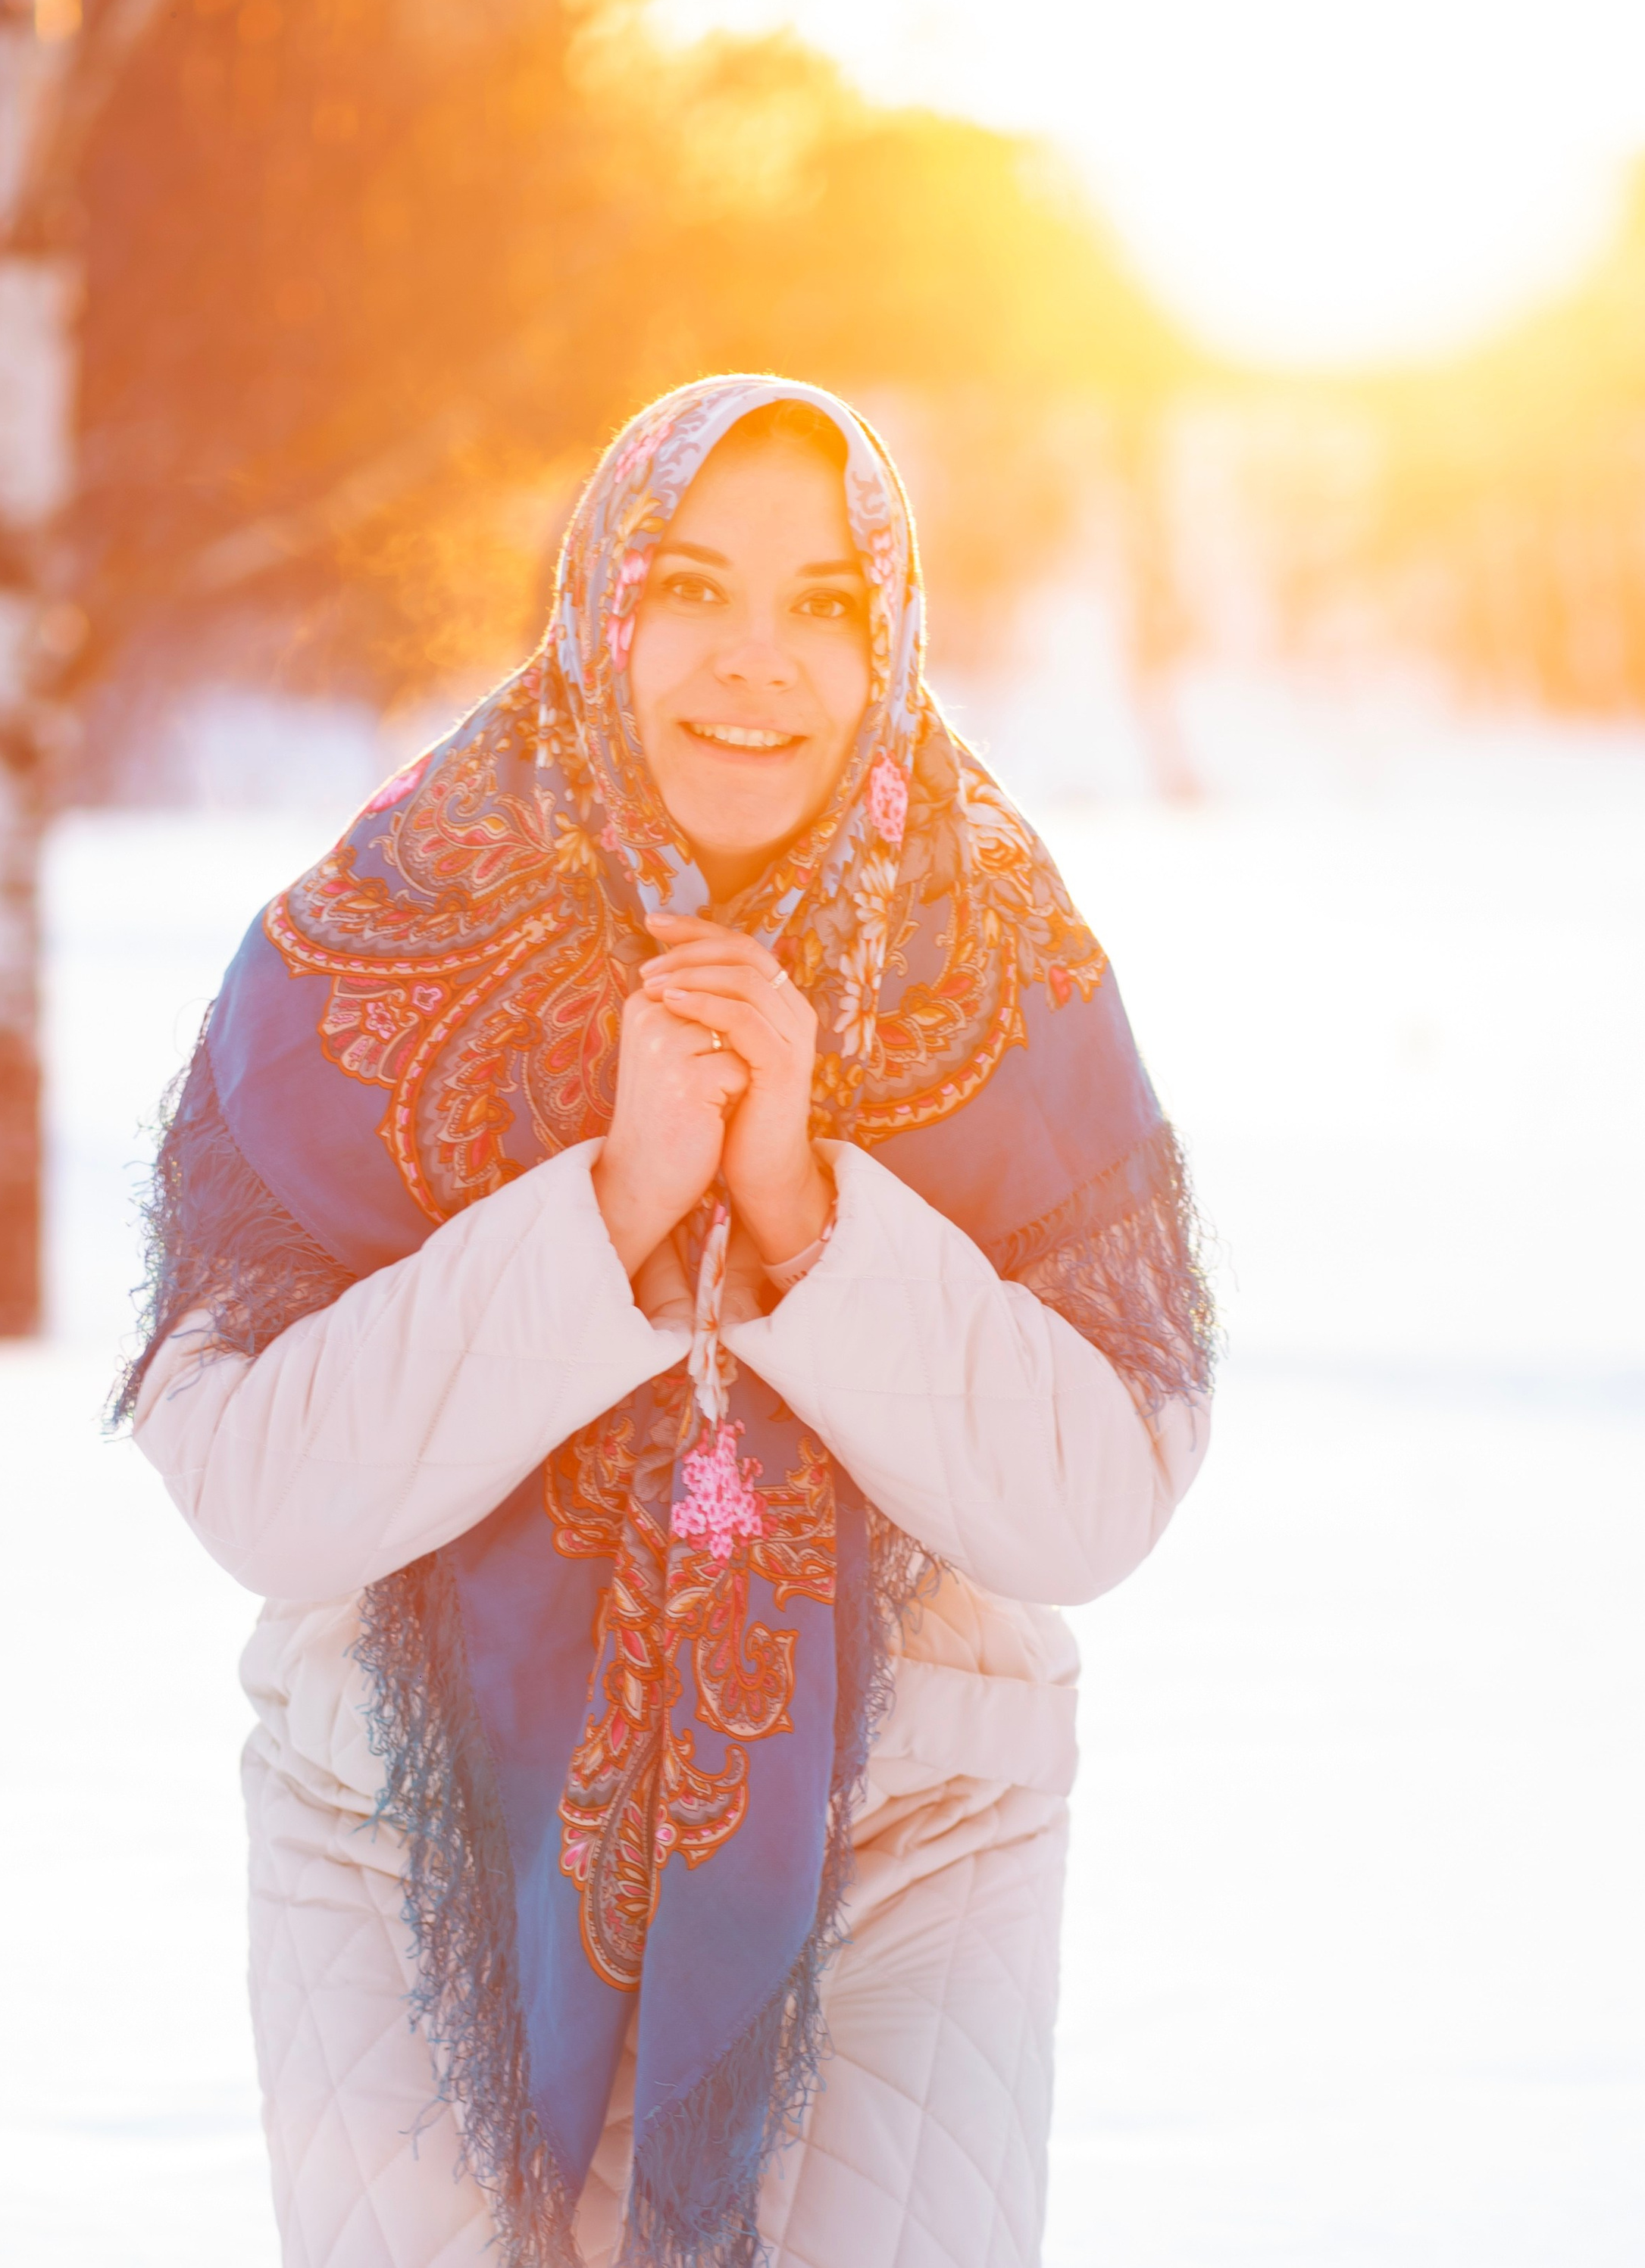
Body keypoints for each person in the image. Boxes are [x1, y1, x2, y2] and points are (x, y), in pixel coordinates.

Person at [117, 374, 1215, 2268]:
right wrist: (613, 1212)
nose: (756, 664)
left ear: (892, 633)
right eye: (696, 588)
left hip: (901, 1857)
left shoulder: (999, 955)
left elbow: (1087, 1504)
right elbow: (261, 1497)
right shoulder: (374, 935)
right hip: (414, 1842)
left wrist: (801, 1213)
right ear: (601, 600)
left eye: (824, 604)